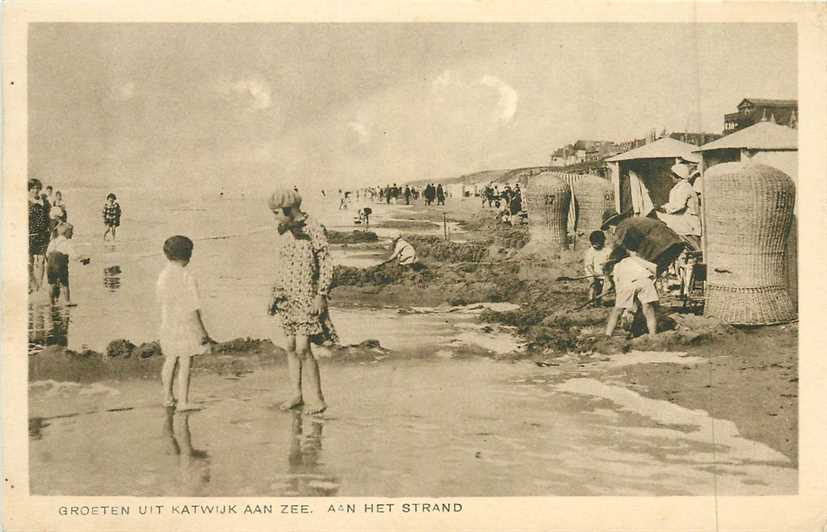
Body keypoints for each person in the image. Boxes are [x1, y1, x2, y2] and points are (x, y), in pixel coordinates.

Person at [267, 187, 337, 415]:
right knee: (289, 346)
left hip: (307, 296)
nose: (275, 217)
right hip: (286, 297)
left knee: (303, 348)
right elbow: (280, 266)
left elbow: (326, 262)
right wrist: (273, 294)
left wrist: (321, 295)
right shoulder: (284, 230)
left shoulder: (314, 228)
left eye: (277, 212)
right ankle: (296, 394)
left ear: (290, 209)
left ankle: (318, 399)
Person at [157, 235, 216, 411]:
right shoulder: (187, 277)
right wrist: (203, 334)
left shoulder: (163, 275)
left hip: (167, 323)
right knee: (185, 362)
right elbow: (192, 309)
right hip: (184, 326)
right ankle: (183, 401)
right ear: (188, 255)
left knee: (170, 360)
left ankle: (167, 397)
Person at [605, 232, 659, 337]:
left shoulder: (618, 266)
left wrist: (621, 300)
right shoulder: (636, 260)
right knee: (648, 311)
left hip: (628, 284)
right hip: (645, 282)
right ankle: (653, 335)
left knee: (617, 311)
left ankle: (608, 334)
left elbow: (618, 285)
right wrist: (654, 280)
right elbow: (654, 268)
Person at [656, 162, 702, 248]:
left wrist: (665, 209)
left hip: (687, 223)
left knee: (694, 247)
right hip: (681, 222)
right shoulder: (680, 187)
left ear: (678, 176)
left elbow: (679, 206)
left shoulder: (684, 187)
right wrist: (664, 207)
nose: (671, 177)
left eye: (673, 175)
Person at [45, 223, 90, 305]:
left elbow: (47, 253)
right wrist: (83, 259)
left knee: (51, 284)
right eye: (71, 231)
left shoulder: (53, 241)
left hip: (49, 264)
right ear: (66, 232)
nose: (72, 233)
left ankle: (51, 302)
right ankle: (67, 301)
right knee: (65, 283)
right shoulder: (66, 243)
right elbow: (74, 256)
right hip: (60, 263)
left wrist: (49, 262)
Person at [28, 178, 51, 292]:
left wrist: (50, 231)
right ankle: (31, 283)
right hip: (29, 235)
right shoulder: (26, 202)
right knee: (29, 261)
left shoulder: (45, 202)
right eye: (33, 188)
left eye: (37, 188)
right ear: (29, 189)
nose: (35, 190)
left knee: (41, 261)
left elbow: (49, 218)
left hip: (43, 235)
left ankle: (40, 286)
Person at [584, 230, 612, 307]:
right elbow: (588, 265)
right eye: (594, 244)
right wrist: (593, 273)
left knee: (602, 287)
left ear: (603, 241)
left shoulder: (607, 250)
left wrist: (608, 267)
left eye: (598, 244)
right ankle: (591, 301)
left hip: (603, 272)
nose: (596, 246)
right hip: (592, 271)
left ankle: (600, 301)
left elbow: (610, 261)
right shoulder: (590, 252)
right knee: (593, 285)